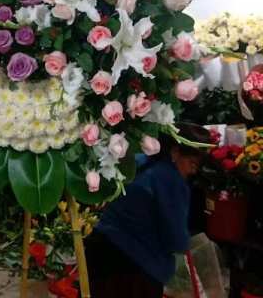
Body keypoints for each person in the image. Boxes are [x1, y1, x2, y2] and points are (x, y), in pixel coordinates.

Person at [85, 123, 212, 298]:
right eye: (191, 163)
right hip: (134, 265)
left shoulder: (141, 161)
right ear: (175, 152)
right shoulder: (170, 180)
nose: (192, 171)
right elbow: (176, 240)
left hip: (102, 248)